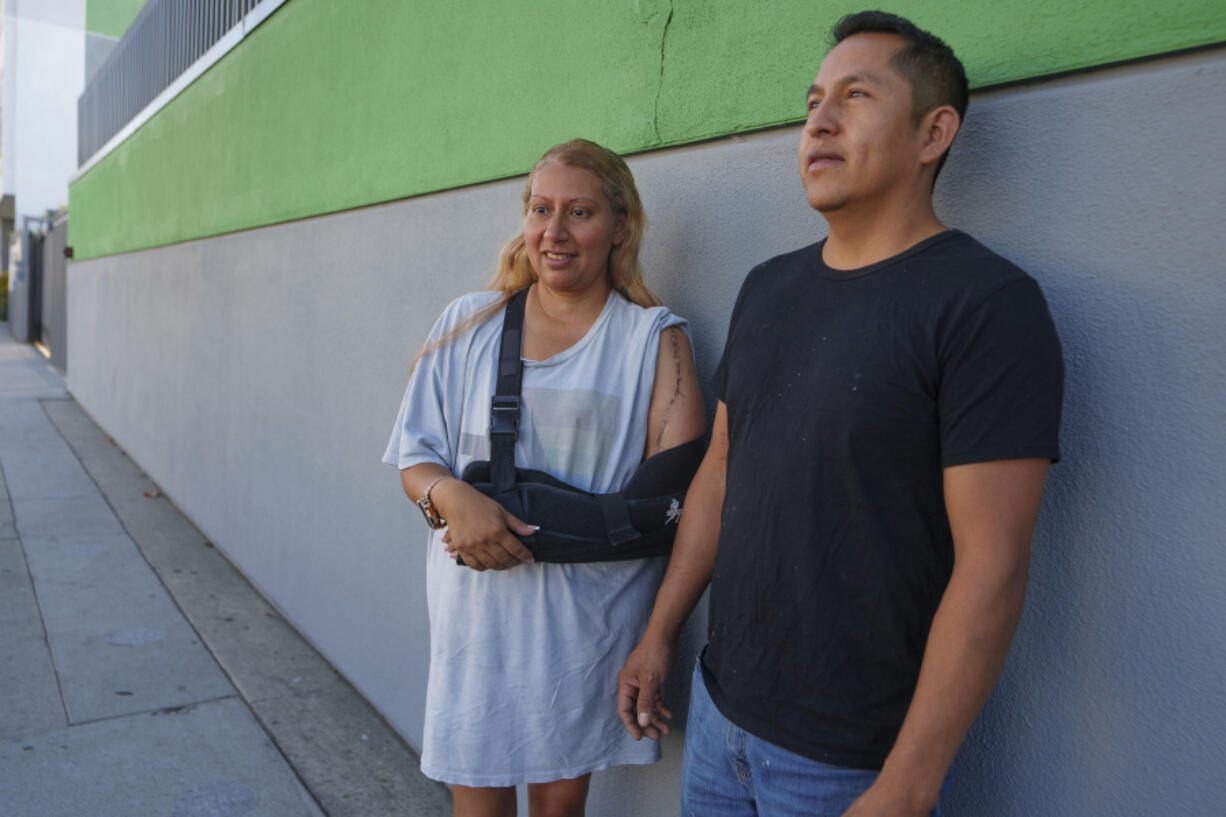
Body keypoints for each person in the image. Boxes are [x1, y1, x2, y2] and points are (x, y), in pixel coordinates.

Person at [617, 11, 1064, 817]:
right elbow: (719, 479)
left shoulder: (987, 305)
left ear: (934, 133)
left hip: (853, 763)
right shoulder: (766, 286)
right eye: (815, 100)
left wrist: (909, 782)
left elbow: (993, 566)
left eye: (856, 97)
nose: (819, 120)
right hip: (721, 720)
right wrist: (659, 633)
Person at [384, 138, 705, 817]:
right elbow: (415, 458)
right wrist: (451, 497)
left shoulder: (654, 342)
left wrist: (660, 637)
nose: (554, 233)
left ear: (620, 227)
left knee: (559, 811)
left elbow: (676, 507)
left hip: (586, 632)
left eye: (580, 212)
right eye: (540, 209)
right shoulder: (467, 324)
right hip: (478, 622)